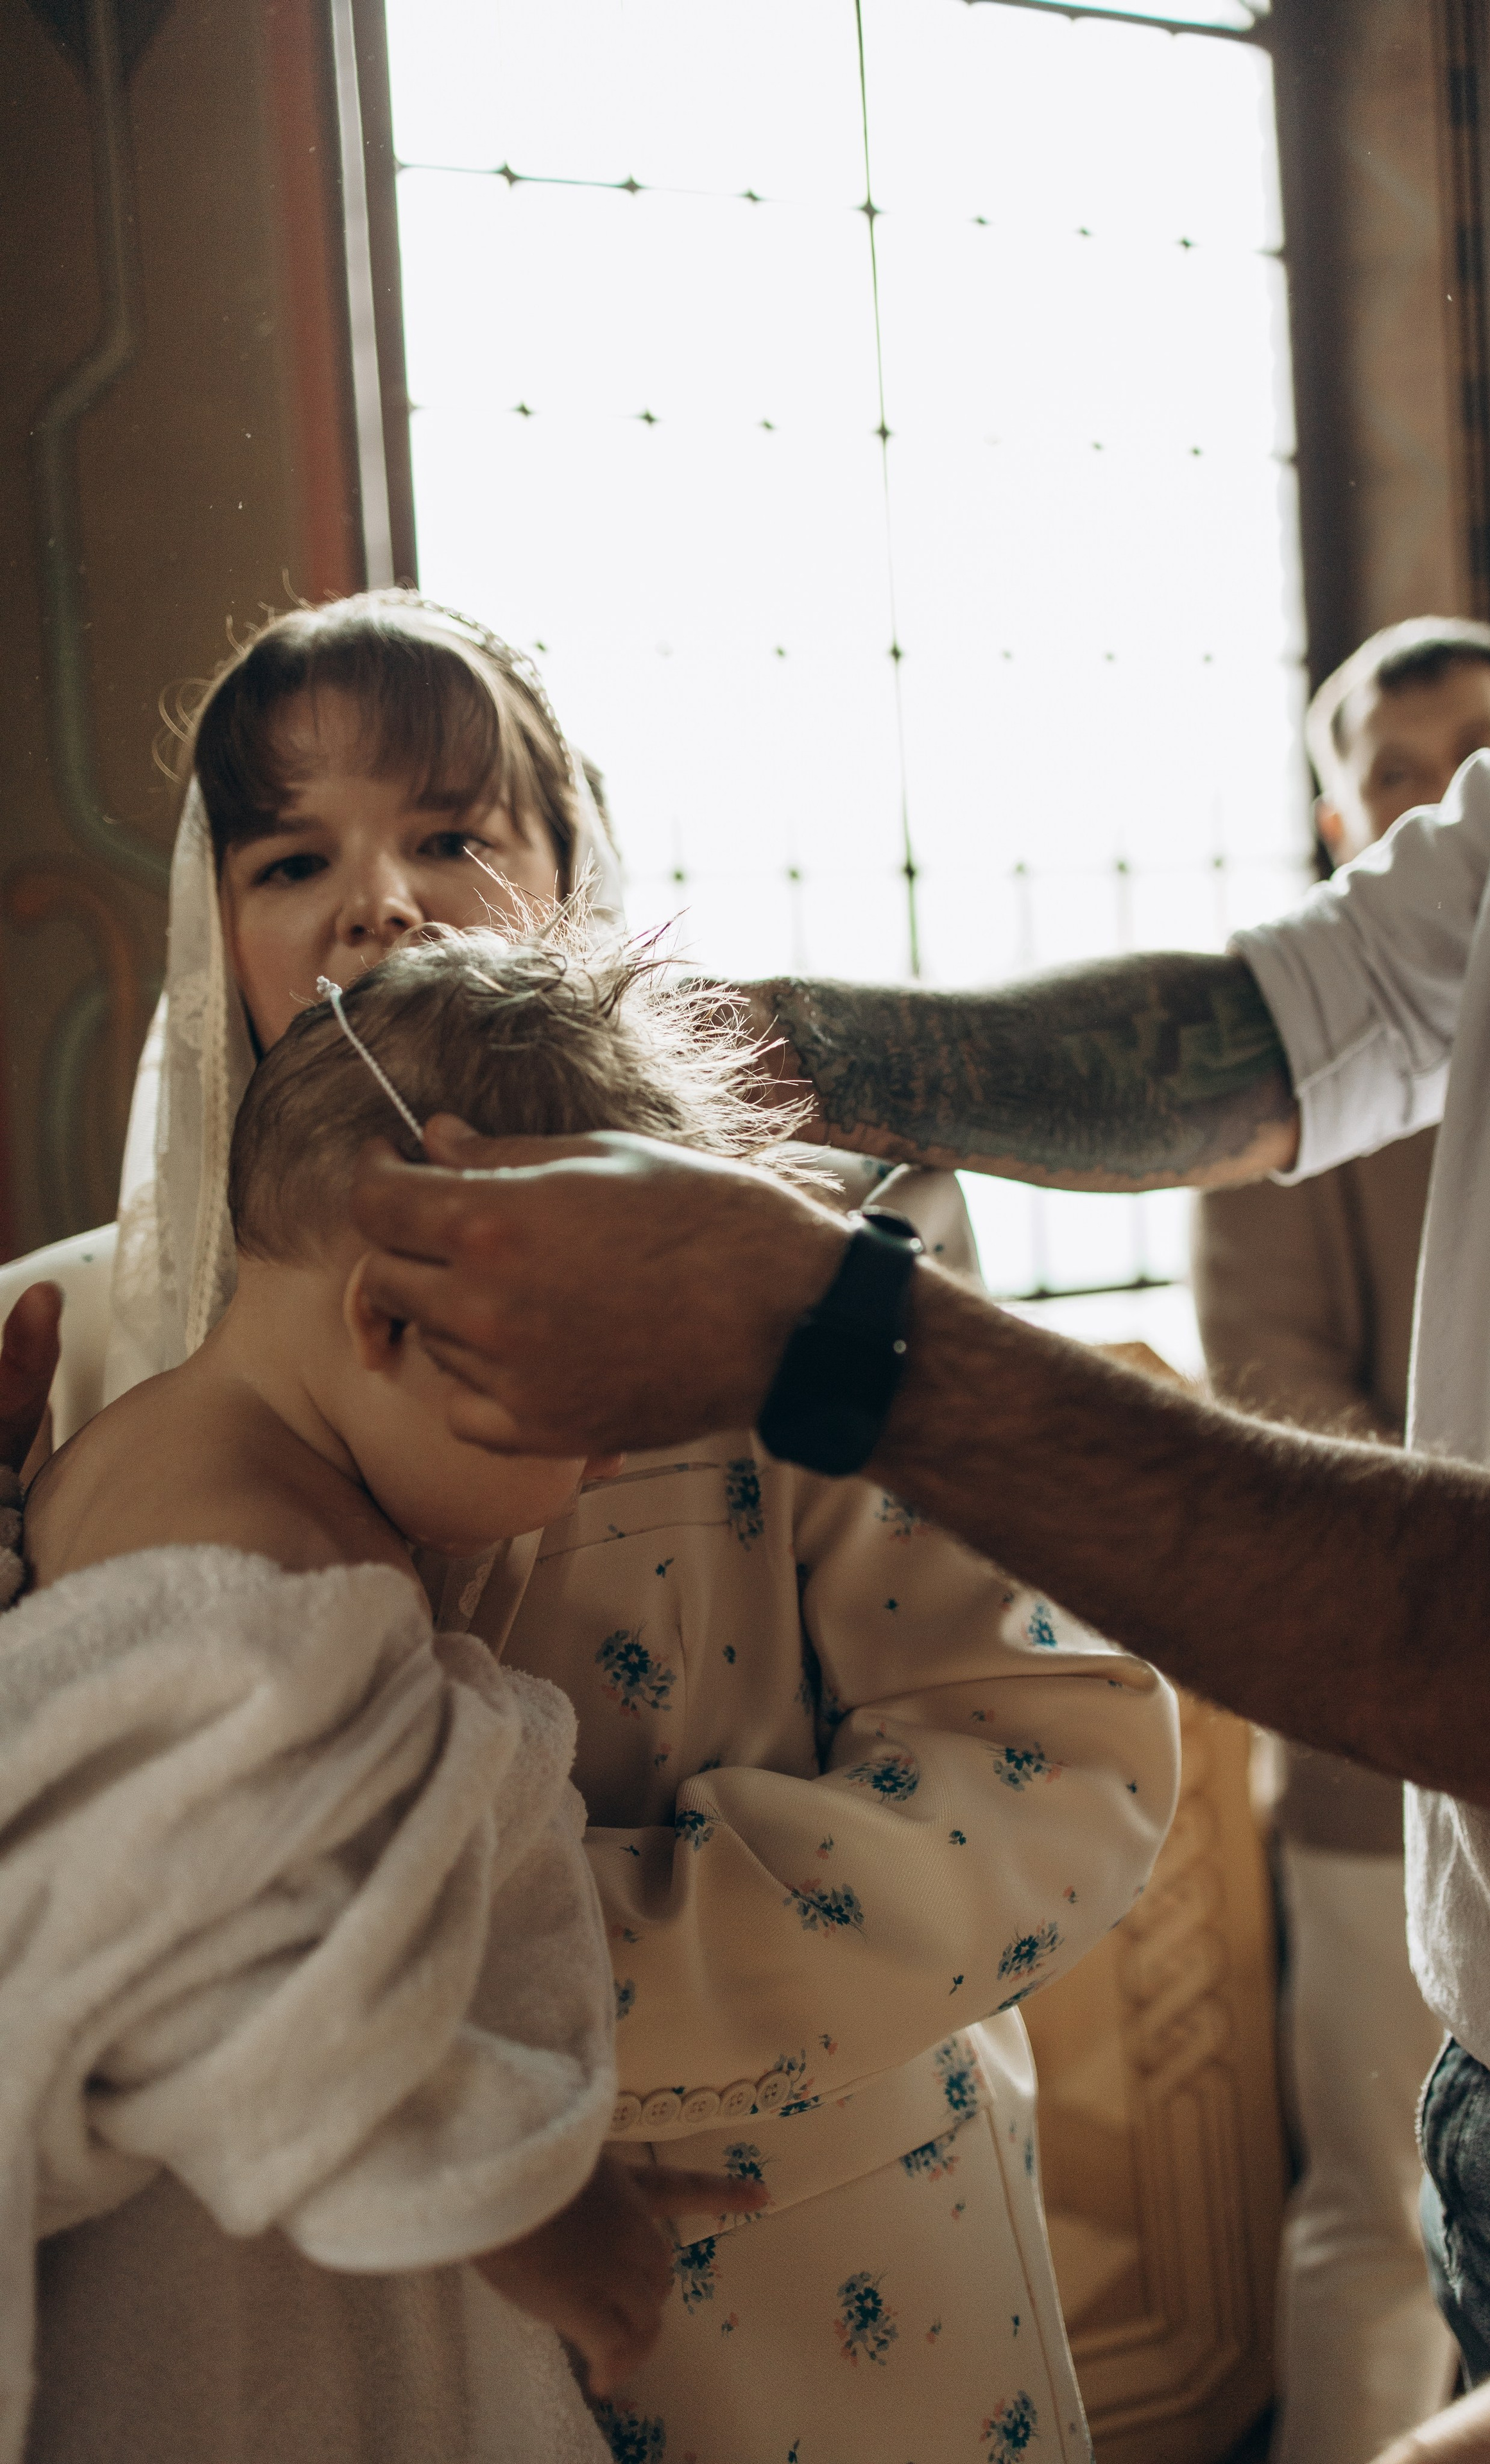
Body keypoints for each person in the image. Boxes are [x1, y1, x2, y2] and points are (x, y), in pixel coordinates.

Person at [332, 4, 1490, 2433]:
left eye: (450, 845)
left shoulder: (783, 1366)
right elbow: (1284, 1022)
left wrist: (827, 1334)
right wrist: (683, 1031)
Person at [1, 592, 1181, 2462]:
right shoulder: (69, 1342)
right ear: (205, 922)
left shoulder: (796, 1287)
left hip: (821, 2308)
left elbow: (1058, 1756)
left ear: (578, 877)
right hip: (337, 2351)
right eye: (291, 855)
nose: (380, 902)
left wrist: (497, 2013)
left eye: (455, 835)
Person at [10, 935, 778, 2460]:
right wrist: (527, 2207)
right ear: (384, 1321)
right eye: (597, 1409)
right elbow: (209, 1964)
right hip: (207, 2319)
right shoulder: (268, 1574)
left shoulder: (132, 1465)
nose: (609, 1468)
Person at [1192, 616, 1490, 2464]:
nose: (1435, 797)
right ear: (1343, 827)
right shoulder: (1288, 1105)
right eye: (1393, 779)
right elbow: (1265, 1394)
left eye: (1479, 754)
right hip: (1372, 1753)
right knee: (1376, 2217)